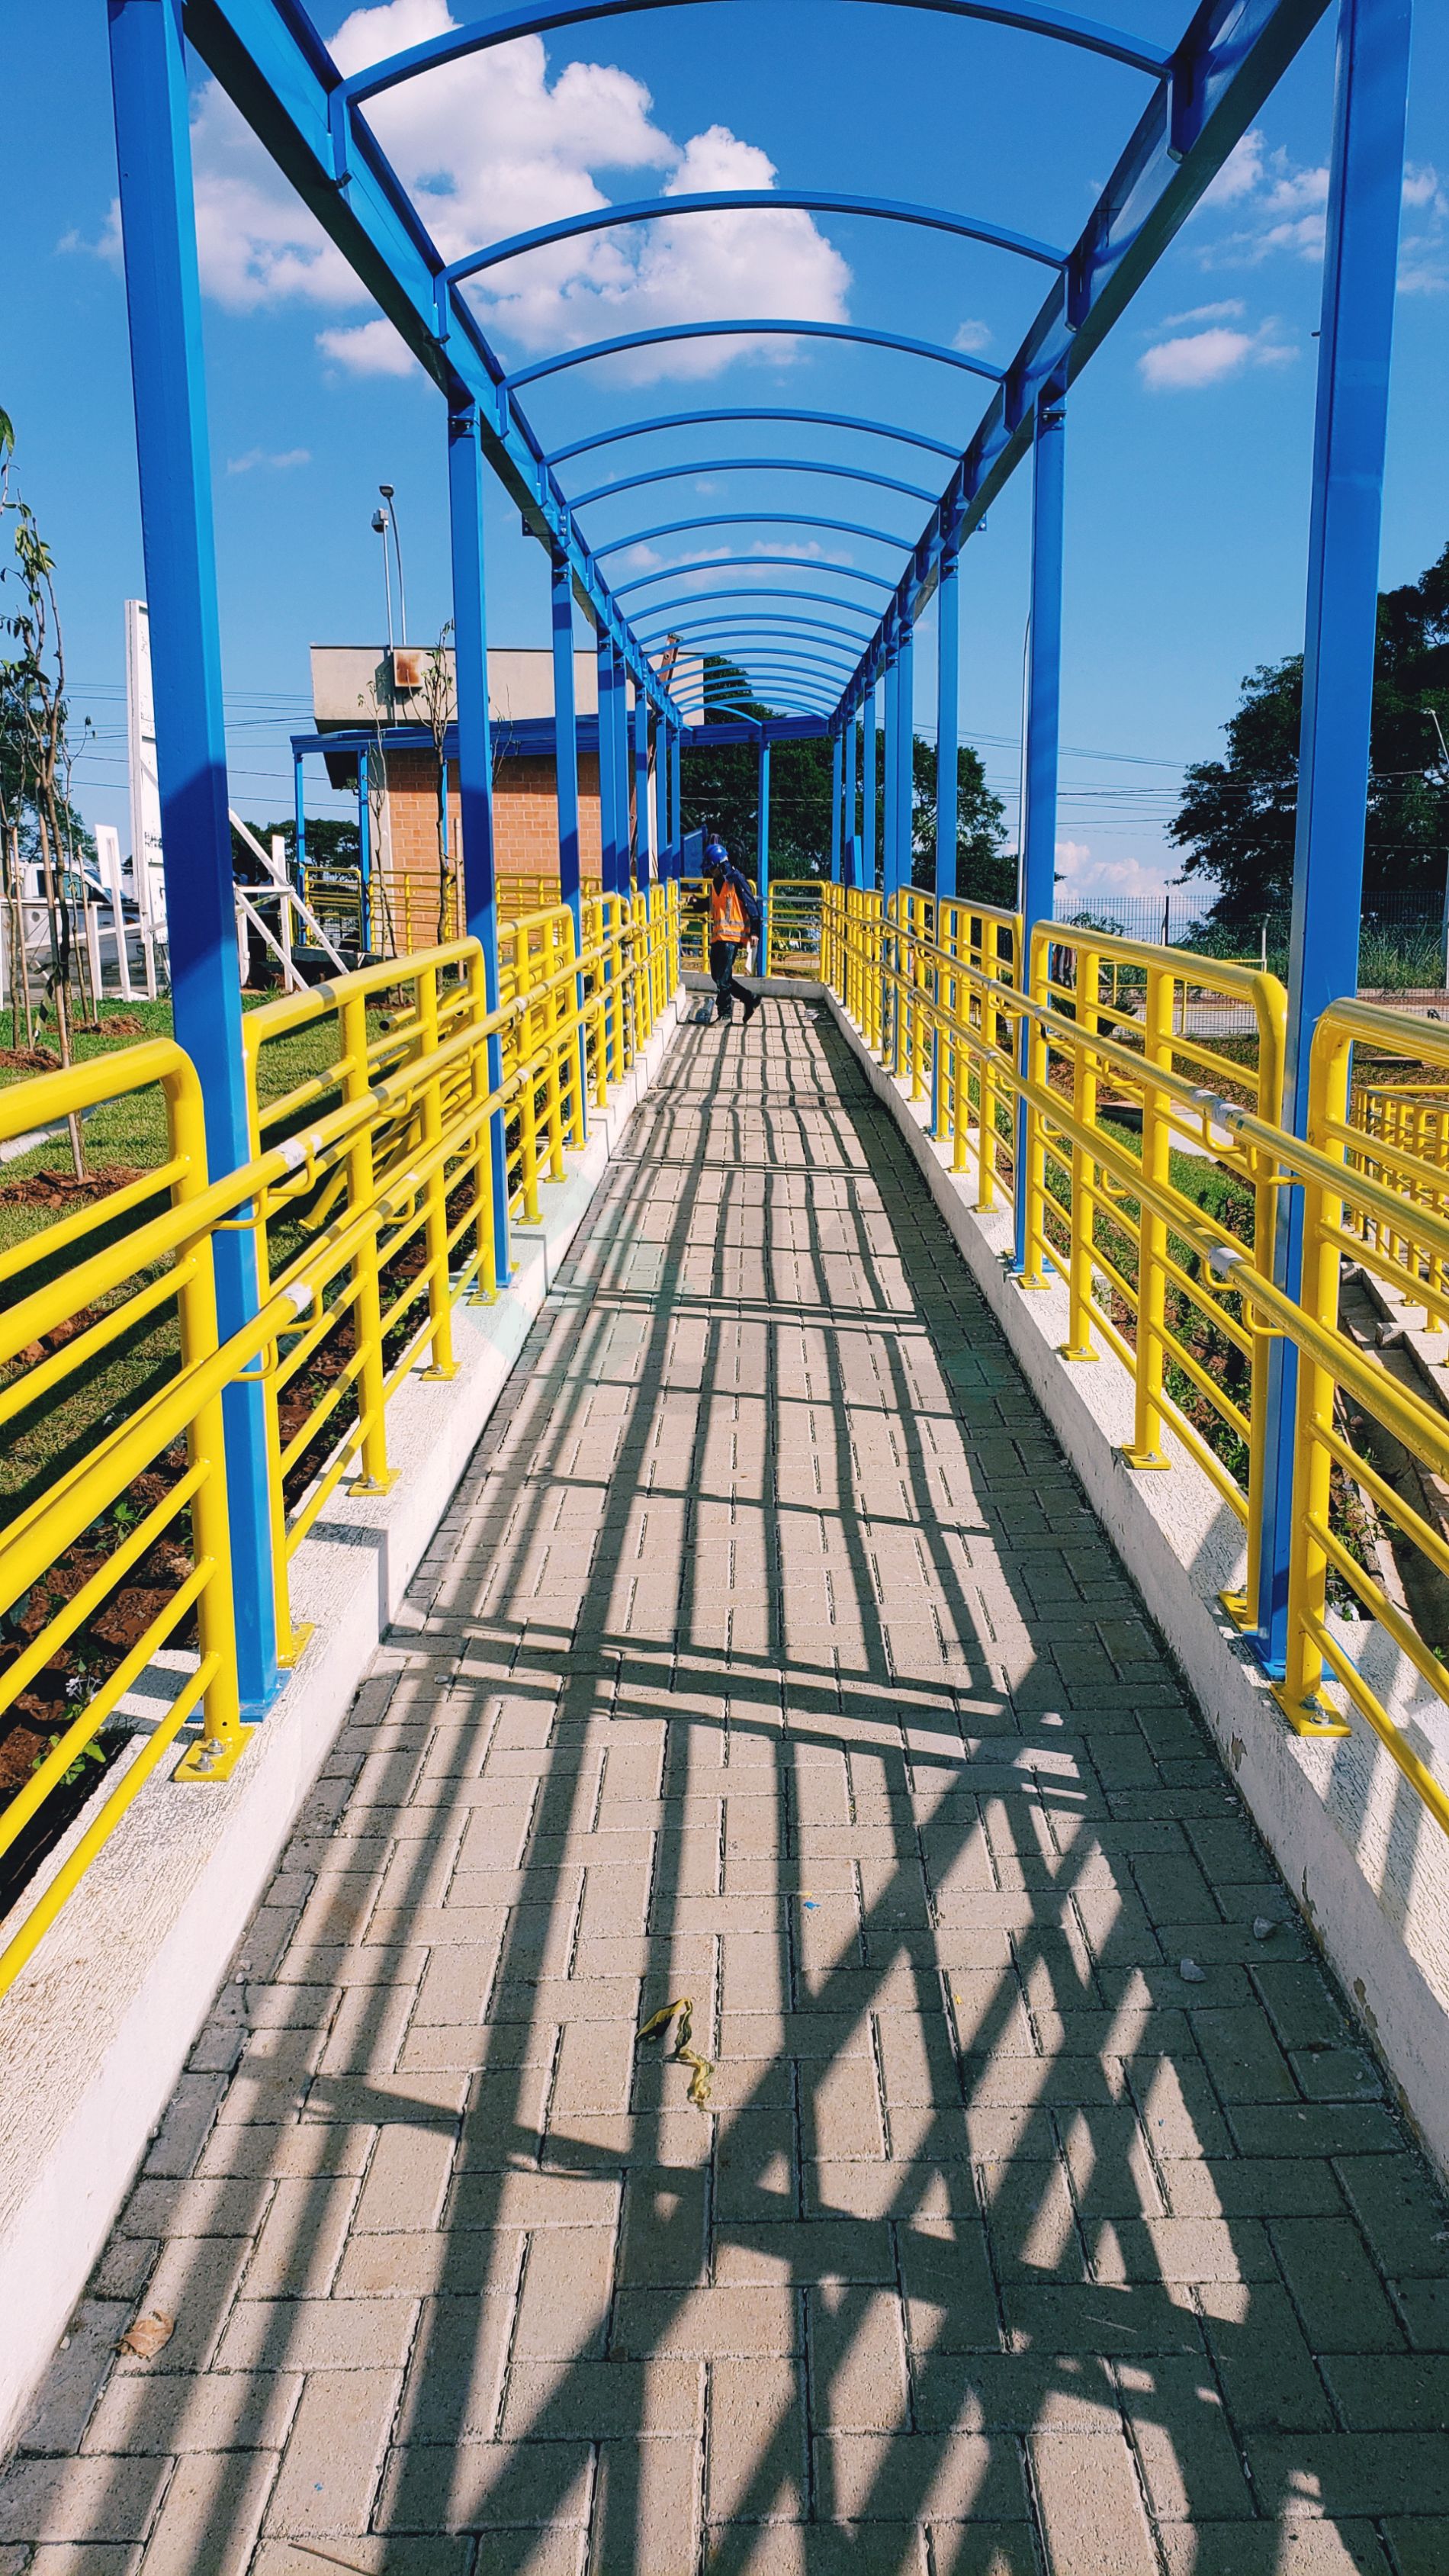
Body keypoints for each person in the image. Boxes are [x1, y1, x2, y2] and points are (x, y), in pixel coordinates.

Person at [704, 838, 762, 1024]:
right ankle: (749, 998)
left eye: (712, 868)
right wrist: (696, 902)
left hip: (732, 936)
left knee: (723, 978)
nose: (710, 872)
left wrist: (755, 931)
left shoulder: (736, 879)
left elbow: (751, 904)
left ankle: (726, 1014)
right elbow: (712, 904)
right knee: (718, 976)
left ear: (720, 865)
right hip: (719, 936)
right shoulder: (715, 883)